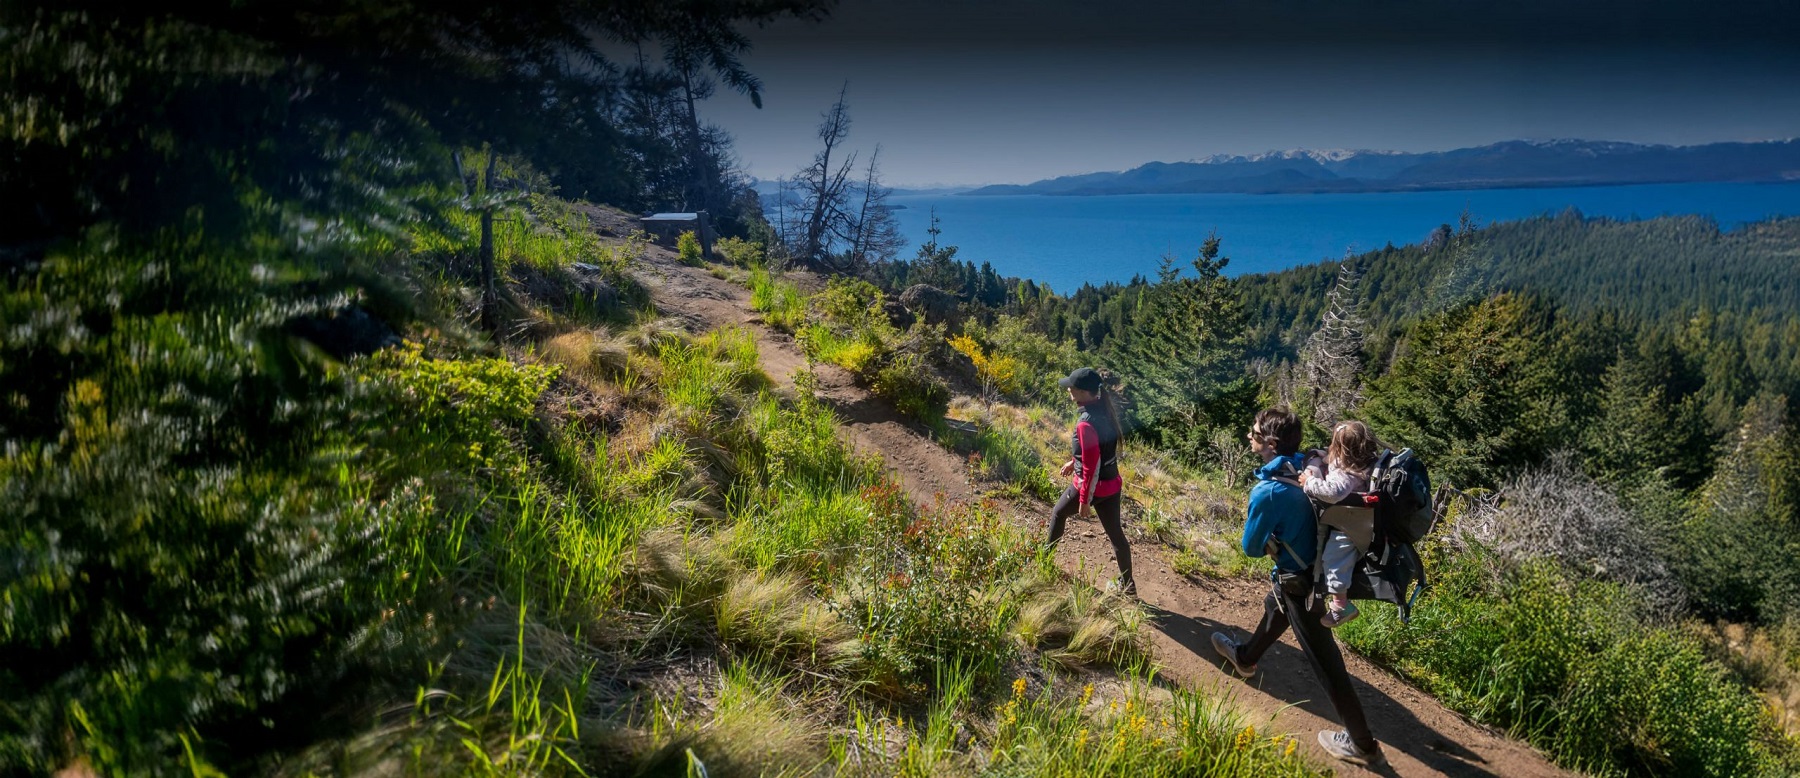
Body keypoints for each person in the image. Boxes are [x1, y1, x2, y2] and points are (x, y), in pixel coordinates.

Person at [1210, 407, 1384, 767]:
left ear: (1270, 443)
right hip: (1312, 572)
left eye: (1254, 432)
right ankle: (1245, 658)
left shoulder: (1270, 490)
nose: (1249, 435)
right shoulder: (1307, 465)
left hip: (1306, 585)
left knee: (1326, 663)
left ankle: (1362, 744)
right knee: (1276, 606)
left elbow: (1251, 549)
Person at [1047, 367, 1133, 596]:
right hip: (1111, 485)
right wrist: (1071, 461)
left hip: (1091, 487)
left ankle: (1043, 560)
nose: (1068, 390)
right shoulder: (1106, 412)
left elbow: (1090, 467)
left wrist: (1085, 500)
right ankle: (1129, 586)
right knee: (1117, 537)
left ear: (1084, 392)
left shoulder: (1085, 423)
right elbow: (1096, 452)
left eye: (1071, 388)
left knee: (1058, 513)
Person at [1301, 420, 1384, 629]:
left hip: (1349, 524)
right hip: (1359, 518)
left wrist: (1308, 482)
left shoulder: (1347, 474)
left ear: (1342, 449)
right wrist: (1321, 456)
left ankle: (1341, 606)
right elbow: (1334, 460)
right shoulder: (1365, 462)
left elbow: (1334, 493)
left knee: (1334, 559)